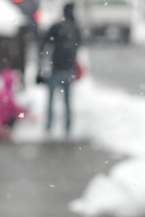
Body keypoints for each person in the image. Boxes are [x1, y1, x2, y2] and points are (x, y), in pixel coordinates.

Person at [38, 2, 81, 136]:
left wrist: (42, 62)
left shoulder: (56, 27)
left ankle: (49, 125)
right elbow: (79, 46)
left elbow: (45, 43)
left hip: (55, 68)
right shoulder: (75, 28)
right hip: (69, 69)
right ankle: (68, 126)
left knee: (51, 99)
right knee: (67, 100)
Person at [0, 69, 28, 142]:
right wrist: (24, 113)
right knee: (15, 116)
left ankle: (1, 131)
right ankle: (6, 132)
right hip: (7, 118)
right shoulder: (9, 94)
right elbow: (14, 108)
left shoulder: (1, 92)